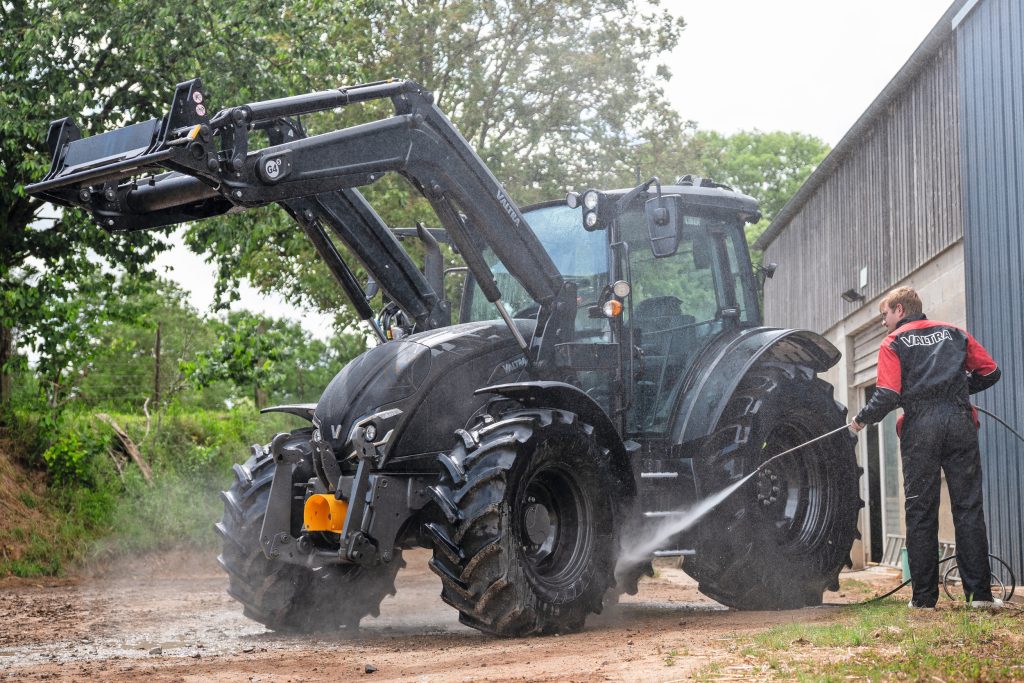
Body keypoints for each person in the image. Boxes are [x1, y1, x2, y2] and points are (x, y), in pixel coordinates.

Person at [849, 286, 1001, 609]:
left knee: (920, 512)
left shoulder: (892, 343)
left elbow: (888, 394)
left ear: (900, 311)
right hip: (960, 424)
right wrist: (959, 389)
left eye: (884, 315)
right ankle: (980, 598)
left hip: (921, 428)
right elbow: (991, 371)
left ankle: (923, 600)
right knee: (969, 508)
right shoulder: (955, 333)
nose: (883, 323)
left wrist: (860, 420)